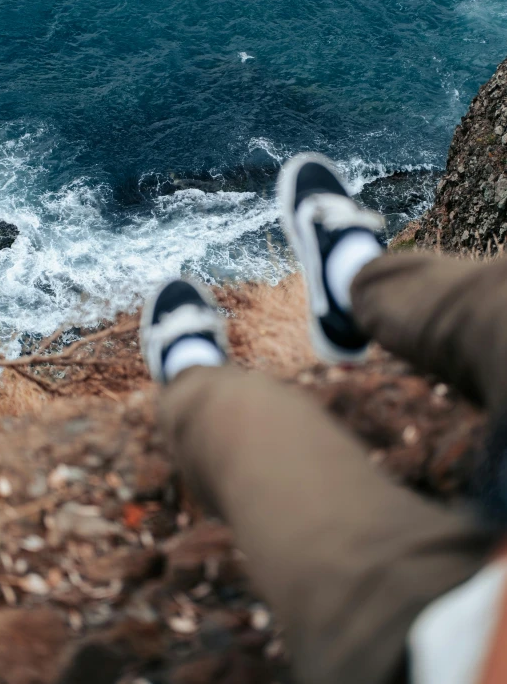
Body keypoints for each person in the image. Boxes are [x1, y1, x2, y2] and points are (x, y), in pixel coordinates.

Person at [140, 153, 507, 684]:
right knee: (493, 302)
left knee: (261, 439)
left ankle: (190, 377)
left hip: (442, 648)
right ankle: (356, 281)